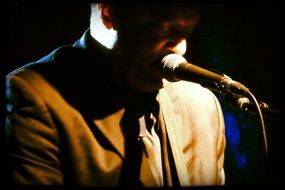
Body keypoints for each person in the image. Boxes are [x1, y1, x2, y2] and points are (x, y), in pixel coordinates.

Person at [5, 3, 226, 187]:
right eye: (163, 28)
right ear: (108, 12)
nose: (181, 49)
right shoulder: (32, 94)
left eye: (186, 32)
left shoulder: (202, 105)